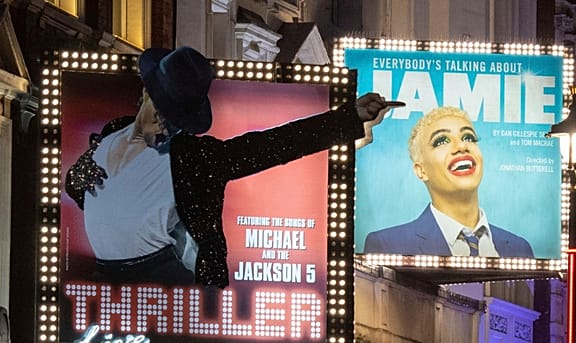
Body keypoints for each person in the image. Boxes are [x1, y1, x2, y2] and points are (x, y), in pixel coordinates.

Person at [65, 45, 394, 289]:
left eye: (176, 119)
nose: (166, 125)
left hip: (160, 280)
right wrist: (74, 180)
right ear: (145, 93)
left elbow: (271, 146)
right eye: (162, 110)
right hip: (102, 279)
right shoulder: (110, 132)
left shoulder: (194, 157)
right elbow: (93, 192)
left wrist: (348, 117)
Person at [362, 105, 535, 258]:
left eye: (468, 138)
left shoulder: (520, 248)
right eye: (441, 141)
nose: (461, 146)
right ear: (421, 171)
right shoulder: (387, 244)